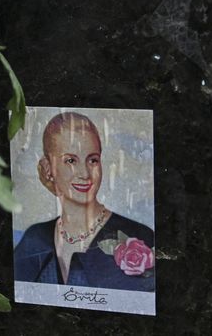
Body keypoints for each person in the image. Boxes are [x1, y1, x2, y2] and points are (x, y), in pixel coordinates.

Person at [13, 112, 155, 291]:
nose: (85, 174)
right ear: (49, 168)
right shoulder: (35, 239)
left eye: (93, 160)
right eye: (71, 160)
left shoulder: (138, 237)